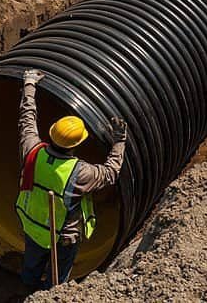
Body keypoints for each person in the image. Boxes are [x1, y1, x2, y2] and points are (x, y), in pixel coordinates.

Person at [16, 69, 126, 290]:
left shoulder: (32, 150)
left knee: (31, 267)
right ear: (76, 145)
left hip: (32, 226)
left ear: (52, 133)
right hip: (62, 237)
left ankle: (28, 289)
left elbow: (27, 120)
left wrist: (30, 84)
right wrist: (119, 140)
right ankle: (52, 294)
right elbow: (111, 172)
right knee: (58, 278)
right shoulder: (80, 173)